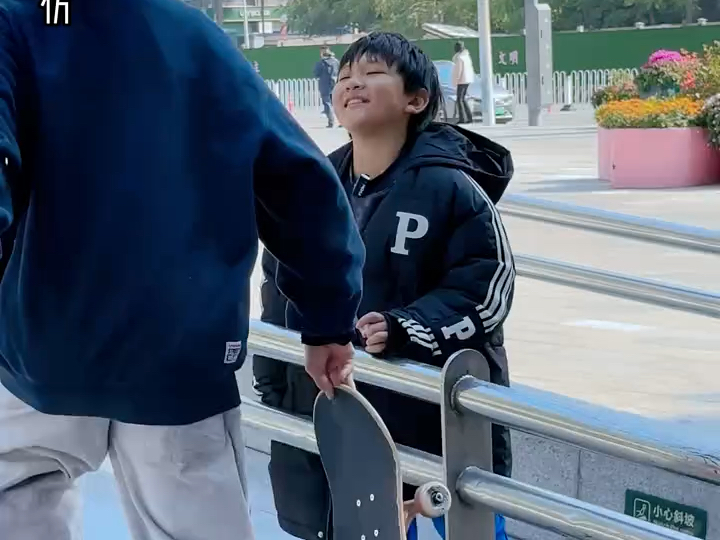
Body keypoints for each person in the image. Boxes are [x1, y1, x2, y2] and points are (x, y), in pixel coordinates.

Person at [0, 1, 365, 539]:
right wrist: (328, 318)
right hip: (181, 354)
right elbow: (302, 181)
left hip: (46, 346)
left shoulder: (23, 19)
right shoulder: (198, 35)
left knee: (15, 497)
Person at [253, 32, 515, 540]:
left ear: (416, 100)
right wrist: (273, 378)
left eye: (373, 74)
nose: (353, 84)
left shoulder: (452, 187)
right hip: (340, 415)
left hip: (434, 421)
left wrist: (405, 328)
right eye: (345, 77)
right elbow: (278, 289)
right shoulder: (313, 187)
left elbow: (487, 288)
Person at [313, 46, 340, 127]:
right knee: (338, 103)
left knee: (327, 103)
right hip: (336, 84)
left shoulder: (321, 63)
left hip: (325, 85)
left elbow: (316, 73)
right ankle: (342, 122)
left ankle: (331, 122)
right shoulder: (336, 61)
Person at [452, 40, 476, 124]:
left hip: (462, 80)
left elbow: (458, 71)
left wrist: (455, 81)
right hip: (467, 80)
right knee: (462, 99)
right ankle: (469, 117)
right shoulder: (466, 56)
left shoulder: (459, 58)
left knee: (459, 99)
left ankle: (462, 118)